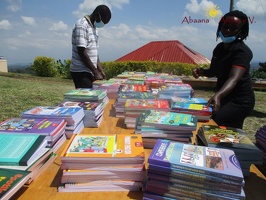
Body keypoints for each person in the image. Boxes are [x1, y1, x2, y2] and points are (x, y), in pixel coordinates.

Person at [192, 10, 255, 129]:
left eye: (233, 28)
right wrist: (202, 72)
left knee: (215, 123)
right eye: (225, 27)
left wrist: (218, 95)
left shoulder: (242, 51)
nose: (228, 31)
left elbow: (234, 78)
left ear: (240, 31)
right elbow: (215, 71)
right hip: (224, 97)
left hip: (240, 101)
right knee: (227, 131)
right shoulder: (219, 48)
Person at [70, 5, 111, 88]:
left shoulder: (94, 28)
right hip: (81, 71)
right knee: (86, 98)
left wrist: (100, 70)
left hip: (90, 70)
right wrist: (95, 72)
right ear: (97, 14)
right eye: (103, 21)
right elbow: (81, 51)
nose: (102, 25)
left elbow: (94, 52)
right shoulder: (82, 25)